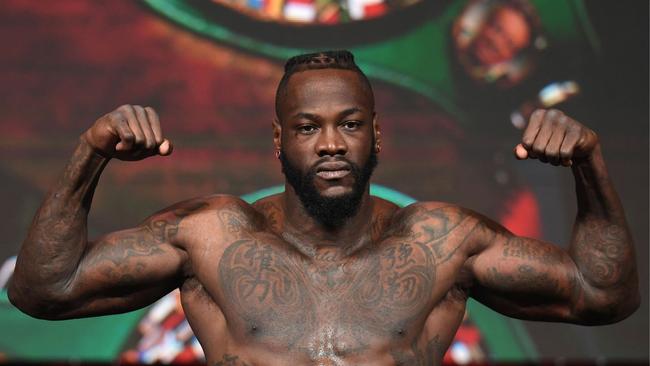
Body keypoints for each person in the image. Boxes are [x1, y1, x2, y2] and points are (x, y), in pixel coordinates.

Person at [8, 50, 639, 365]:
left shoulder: (441, 243)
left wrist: (590, 167)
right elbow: (45, 288)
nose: (331, 143)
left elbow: (602, 294)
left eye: (350, 123)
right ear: (280, 141)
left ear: (376, 135)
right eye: (308, 127)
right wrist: (90, 154)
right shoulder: (211, 236)